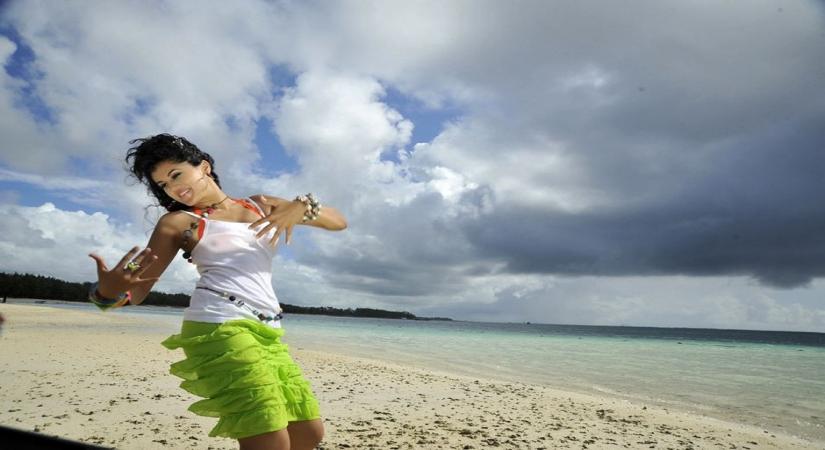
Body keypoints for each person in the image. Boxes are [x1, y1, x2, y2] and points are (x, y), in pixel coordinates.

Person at [87, 134, 347, 450]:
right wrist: (107, 293)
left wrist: (301, 207)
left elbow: (339, 222)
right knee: (269, 438)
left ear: (204, 167)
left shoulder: (260, 204)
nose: (173, 188)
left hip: (269, 331)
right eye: (164, 185)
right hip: (218, 327)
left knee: (309, 434)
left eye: (176, 175)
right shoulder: (179, 222)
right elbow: (135, 293)